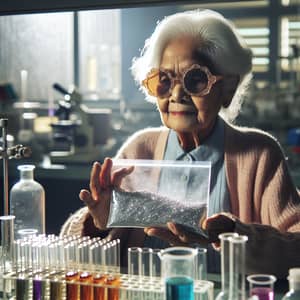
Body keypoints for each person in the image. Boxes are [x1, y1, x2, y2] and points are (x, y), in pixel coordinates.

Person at [61, 9, 300, 278]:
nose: (176, 94)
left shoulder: (258, 154)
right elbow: (74, 255)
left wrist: (234, 235)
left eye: (195, 79)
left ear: (228, 88)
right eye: (164, 80)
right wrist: (99, 223)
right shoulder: (141, 148)